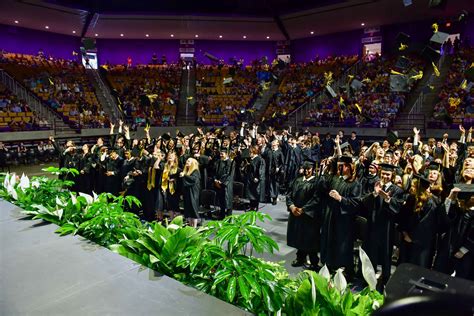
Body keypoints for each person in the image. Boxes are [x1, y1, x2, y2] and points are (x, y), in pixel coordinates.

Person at [361, 163, 404, 289]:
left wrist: (388, 200)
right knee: (371, 251)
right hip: (373, 224)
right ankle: (369, 278)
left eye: (388, 174)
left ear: (392, 175)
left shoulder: (397, 190)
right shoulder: (376, 185)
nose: (385, 176)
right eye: (383, 173)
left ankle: (385, 279)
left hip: (387, 226)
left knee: (386, 253)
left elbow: (398, 209)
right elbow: (364, 203)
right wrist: (374, 194)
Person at [320, 155, 361, 279]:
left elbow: (356, 203)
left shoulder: (355, 183)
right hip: (332, 216)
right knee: (330, 241)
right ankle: (331, 265)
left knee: (342, 245)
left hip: (344, 221)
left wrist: (340, 199)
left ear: (348, 167)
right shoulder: (337, 179)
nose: (339, 168)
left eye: (341, 166)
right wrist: (324, 170)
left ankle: (346, 271)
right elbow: (322, 187)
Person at [286, 160, 321, 270]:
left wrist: (303, 209)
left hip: (309, 215)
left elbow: (316, 199)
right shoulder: (297, 180)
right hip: (296, 212)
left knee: (310, 238)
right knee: (299, 236)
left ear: (313, 169)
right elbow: (289, 195)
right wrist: (292, 207)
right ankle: (300, 258)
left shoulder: (316, 182)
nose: (306, 171)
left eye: (309, 169)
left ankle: (314, 261)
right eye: (305, 169)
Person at [214, 148, 235, 219]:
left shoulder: (231, 162)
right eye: (220, 154)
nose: (221, 155)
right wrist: (215, 180)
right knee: (221, 200)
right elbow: (215, 172)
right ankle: (222, 215)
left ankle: (229, 217)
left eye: (222, 154)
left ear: (226, 154)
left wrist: (222, 182)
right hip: (218, 184)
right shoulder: (218, 162)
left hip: (227, 185)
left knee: (228, 201)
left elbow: (230, 175)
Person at [180, 157, 201, 227]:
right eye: (186, 161)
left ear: (192, 163)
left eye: (188, 161)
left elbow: (193, 179)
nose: (187, 162)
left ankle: (194, 227)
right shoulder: (187, 171)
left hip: (193, 193)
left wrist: (184, 175)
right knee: (188, 210)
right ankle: (190, 225)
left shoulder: (195, 171)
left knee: (193, 210)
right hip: (187, 193)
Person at [161, 151, 181, 220]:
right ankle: (172, 219)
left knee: (175, 205)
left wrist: (174, 180)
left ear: (175, 158)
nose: (170, 157)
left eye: (171, 156)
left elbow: (180, 179)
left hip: (175, 189)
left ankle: (178, 221)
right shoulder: (165, 166)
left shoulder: (178, 168)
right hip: (166, 187)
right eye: (169, 155)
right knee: (169, 205)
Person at [245, 145, 266, 211]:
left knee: (255, 193)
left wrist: (258, 177)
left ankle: (255, 207)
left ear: (254, 152)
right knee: (250, 193)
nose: (249, 154)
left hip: (256, 179)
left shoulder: (260, 159)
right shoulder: (251, 159)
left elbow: (261, 170)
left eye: (250, 153)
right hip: (250, 178)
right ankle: (251, 206)